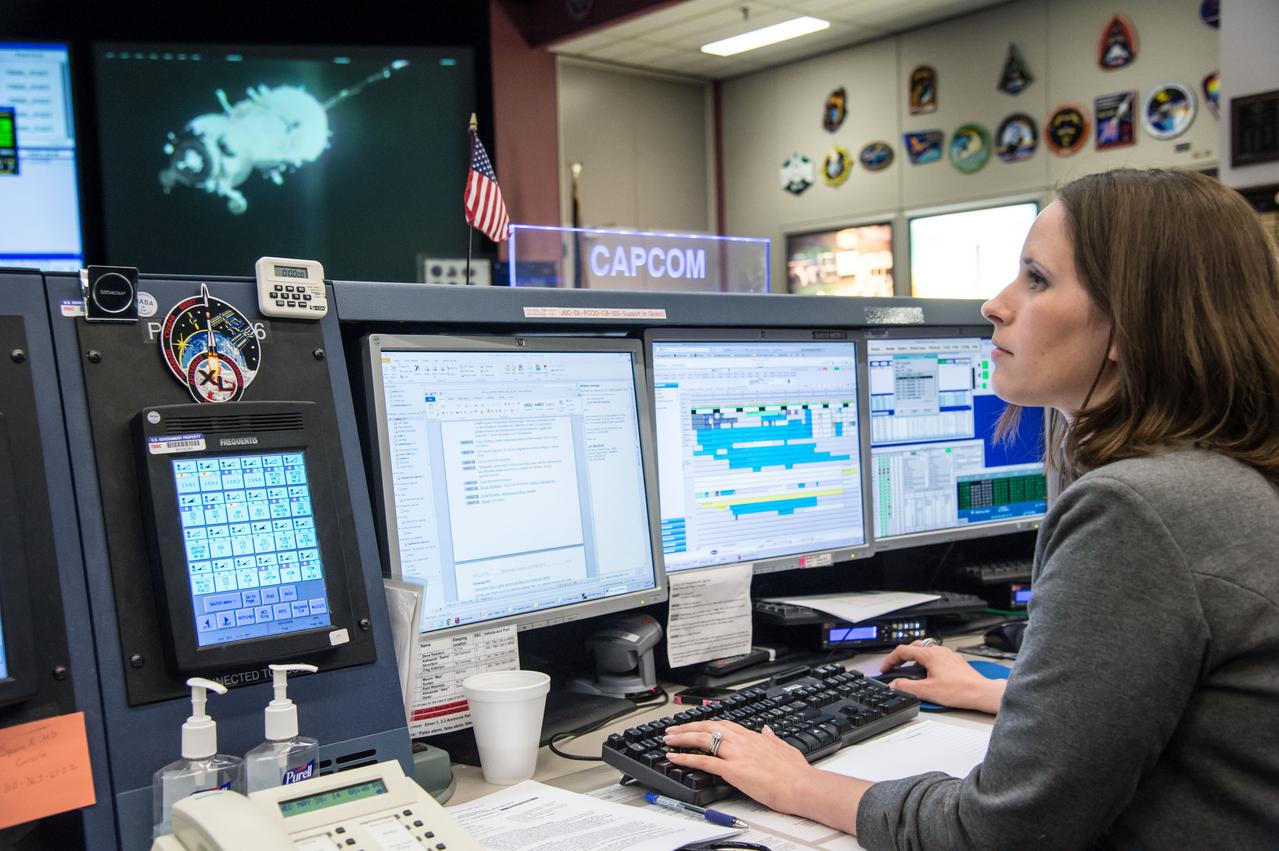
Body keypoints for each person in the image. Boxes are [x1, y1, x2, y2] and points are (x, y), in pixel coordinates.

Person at [662, 168, 1279, 849]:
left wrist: (792, 781)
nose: (994, 303)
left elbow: (1001, 832)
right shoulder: (1228, 476)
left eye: (1036, 279)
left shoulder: (1137, 511)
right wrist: (1007, 693)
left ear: (1131, 322)